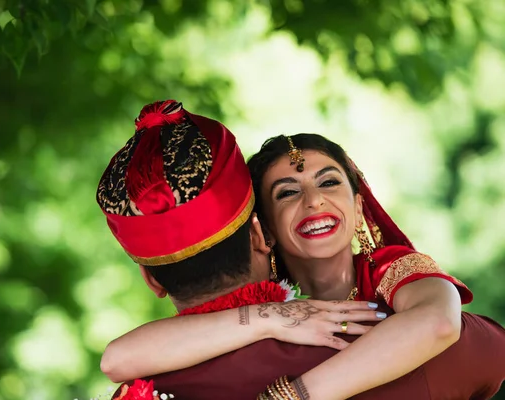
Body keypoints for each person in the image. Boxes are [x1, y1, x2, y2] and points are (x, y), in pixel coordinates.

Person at [97, 101, 505, 399]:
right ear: (265, 231)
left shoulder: (390, 273)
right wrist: (272, 316)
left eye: (329, 183)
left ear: (359, 204)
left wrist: (297, 395)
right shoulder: (269, 310)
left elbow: (440, 323)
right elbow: (115, 357)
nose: (313, 201)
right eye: (288, 192)